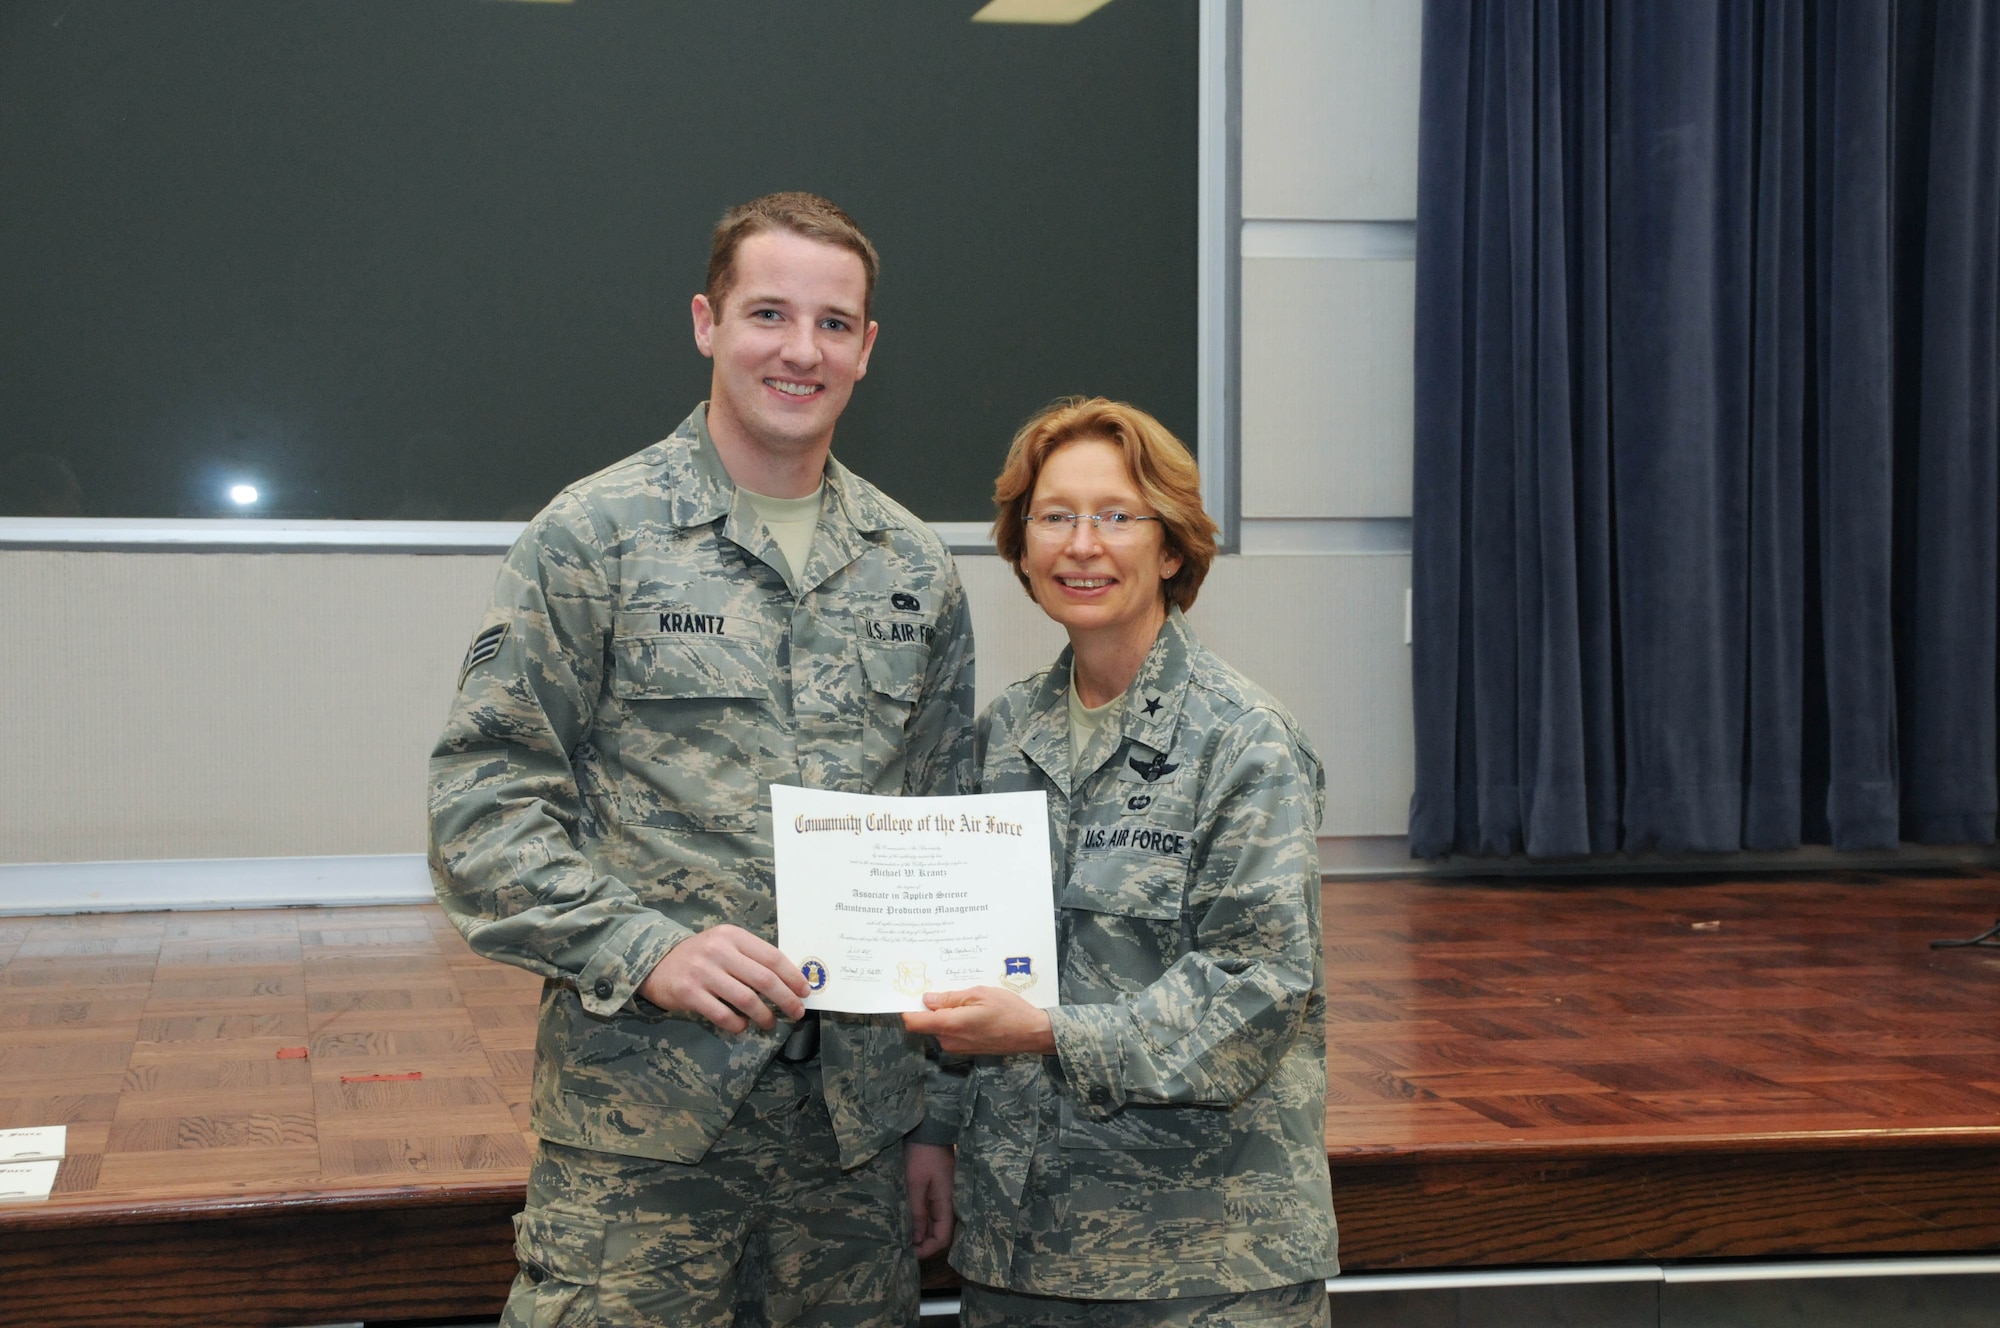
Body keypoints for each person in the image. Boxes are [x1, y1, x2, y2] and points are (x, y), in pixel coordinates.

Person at [429, 192, 974, 1328]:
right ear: (705, 323)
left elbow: (944, 843)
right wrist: (648, 947)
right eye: (767, 312)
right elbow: (481, 814)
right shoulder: (595, 538)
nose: (799, 349)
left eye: (833, 323)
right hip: (642, 1132)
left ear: (867, 349)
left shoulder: (912, 568)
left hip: (848, 1151)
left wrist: (932, 1122)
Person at [903, 398, 1337, 1327]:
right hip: (1021, 1252)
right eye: (1053, 517)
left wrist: (1048, 1032)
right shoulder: (1003, 737)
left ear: (1172, 549)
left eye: (1116, 516)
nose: (1081, 545)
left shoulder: (1244, 742)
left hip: (1204, 1264)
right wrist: (934, 1131)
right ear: (1022, 549)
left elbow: (1256, 992)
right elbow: (957, 950)